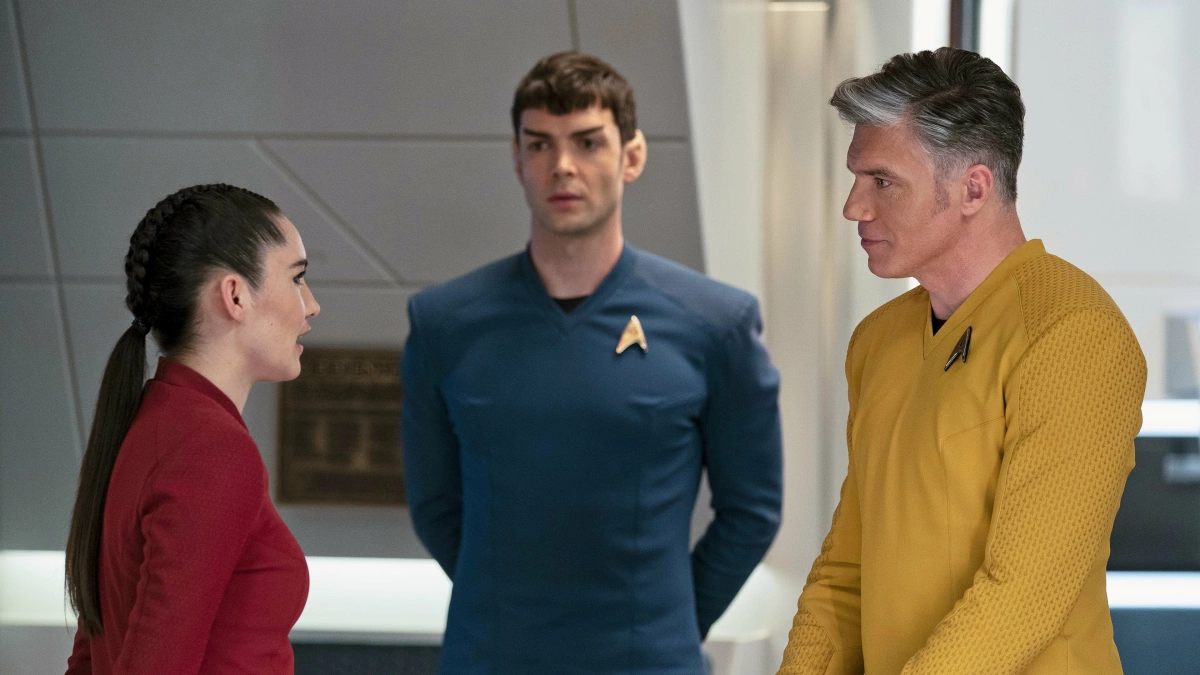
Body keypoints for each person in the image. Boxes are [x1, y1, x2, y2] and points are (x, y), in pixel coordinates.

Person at [402, 51, 783, 674]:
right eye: (540, 145)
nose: (563, 166)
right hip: (489, 658)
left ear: (632, 156)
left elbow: (752, 512)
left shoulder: (716, 324)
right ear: (517, 158)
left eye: (587, 142)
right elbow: (435, 506)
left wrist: (667, 625)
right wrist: (502, 608)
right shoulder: (444, 322)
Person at [775, 48, 1146, 675]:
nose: (854, 207)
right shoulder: (878, 340)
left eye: (882, 181)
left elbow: (1026, 593)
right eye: (857, 178)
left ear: (974, 188)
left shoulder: (1074, 335)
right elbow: (845, 574)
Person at [64, 184, 320, 674]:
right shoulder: (212, 450)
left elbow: (89, 658)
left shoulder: (151, 423)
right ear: (235, 294)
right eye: (297, 278)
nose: (310, 305)